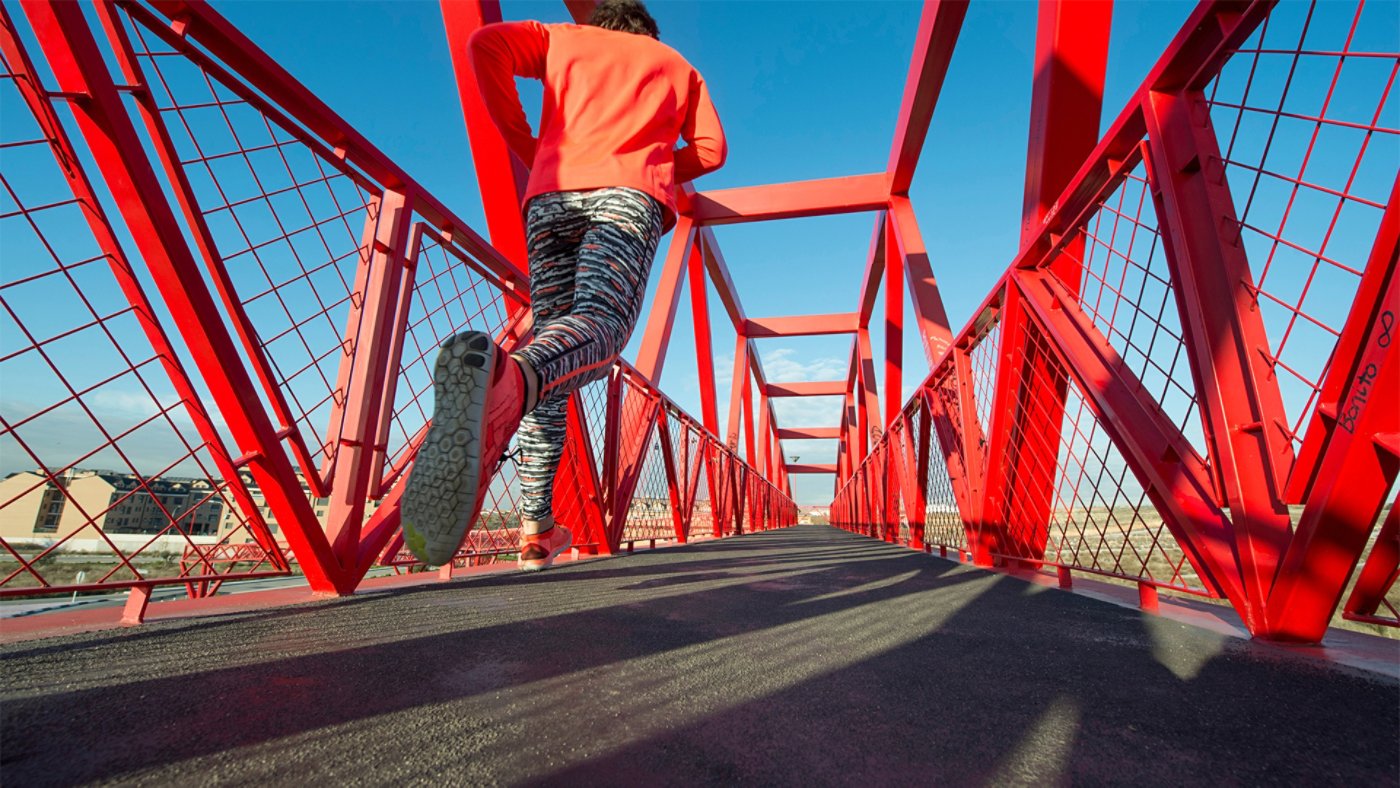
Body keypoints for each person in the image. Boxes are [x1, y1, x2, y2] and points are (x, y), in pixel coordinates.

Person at [400, 0, 726, 571]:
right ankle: (509, 379)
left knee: (554, 355)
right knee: (599, 327)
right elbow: (712, 152)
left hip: (548, 199)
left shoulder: (564, 38)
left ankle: (536, 527)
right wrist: (650, 164)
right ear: (647, 31)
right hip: (625, 199)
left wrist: (528, 145)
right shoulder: (676, 65)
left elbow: (485, 46)